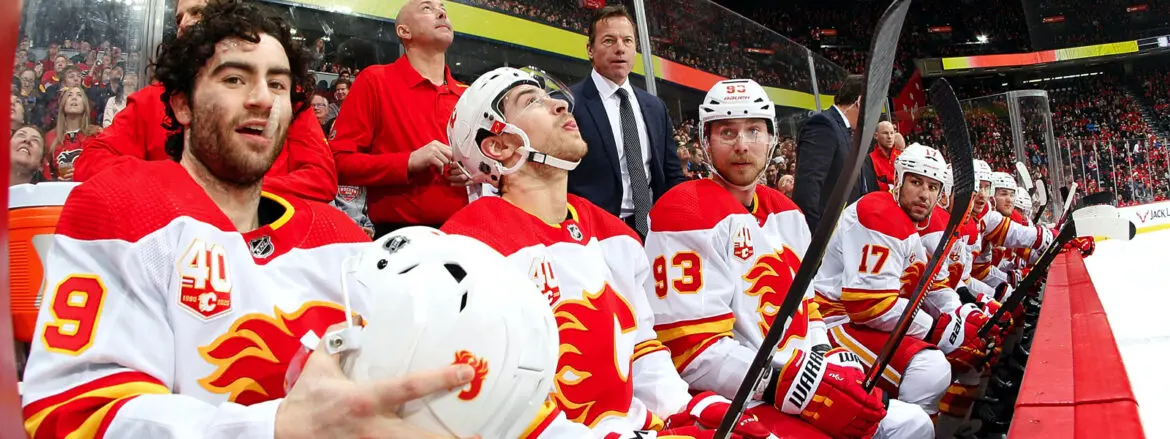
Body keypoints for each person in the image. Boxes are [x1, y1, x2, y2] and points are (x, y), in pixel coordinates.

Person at [20, 2, 473, 437]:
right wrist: (274, 428)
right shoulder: (124, 210)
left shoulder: (343, 240)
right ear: (181, 106)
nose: (262, 100)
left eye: (277, 85)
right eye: (235, 79)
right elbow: (74, 412)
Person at [442, 67, 770, 438]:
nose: (560, 105)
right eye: (532, 101)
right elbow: (498, 402)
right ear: (499, 146)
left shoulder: (616, 234)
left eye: (552, 96)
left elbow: (641, 349)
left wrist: (687, 406)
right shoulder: (469, 247)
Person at [644, 79, 931, 439]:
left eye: (753, 130)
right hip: (740, 398)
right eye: (727, 132)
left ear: (772, 138)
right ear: (705, 139)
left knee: (912, 424)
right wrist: (784, 381)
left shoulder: (788, 212)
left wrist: (826, 358)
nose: (742, 145)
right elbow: (693, 353)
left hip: (796, 379)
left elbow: (808, 310)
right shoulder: (683, 211)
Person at [72, 0, 338, 204]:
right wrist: (179, 187)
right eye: (179, 18)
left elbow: (321, 180)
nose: (184, 24)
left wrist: (239, 194)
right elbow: (91, 163)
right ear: (181, 106)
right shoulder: (151, 99)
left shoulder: (283, 98)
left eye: (197, 12)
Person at [811, 143, 981, 420]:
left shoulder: (909, 221)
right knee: (929, 369)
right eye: (916, 182)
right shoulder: (878, 213)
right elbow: (870, 307)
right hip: (834, 321)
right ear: (898, 181)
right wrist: (938, 327)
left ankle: (952, 429)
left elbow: (932, 285)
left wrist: (964, 316)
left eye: (933, 187)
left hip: (865, 320)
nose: (924, 194)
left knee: (968, 358)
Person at [329, 0, 470, 237]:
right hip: (398, 239)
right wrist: (408, 162)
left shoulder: (468, 96)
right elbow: (338, 162)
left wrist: (473, 174)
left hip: (464, 236)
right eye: (427, 7)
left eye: (443, 7)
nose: (441, 11)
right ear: (404, 31)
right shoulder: (375, 81)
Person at [568, 5, 684, 238]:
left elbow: (672, 174)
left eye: (627, 41)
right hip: (594, 234)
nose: (620, 48)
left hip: (652, 231)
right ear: (590, 49)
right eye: (609, 41)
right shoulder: (567, 104)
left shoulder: (655, 107)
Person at [792, 74, 877, 232]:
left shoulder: (847, 133)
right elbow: (808, 186)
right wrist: (816, 239)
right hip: (826, 237)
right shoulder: (823, 125)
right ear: (860, 102)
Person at [868, 121, 901, 192]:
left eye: (892, 133)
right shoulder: (870, 159)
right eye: (885, 133)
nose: (889, 137)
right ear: (876, 136)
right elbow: (872, 185)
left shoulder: (902, 156)